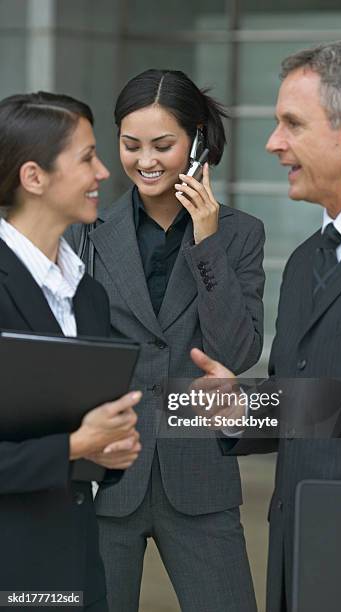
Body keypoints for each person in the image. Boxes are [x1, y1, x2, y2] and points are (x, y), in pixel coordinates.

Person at [190, 40, 341, 612]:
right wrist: (242, 410)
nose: (272, 142)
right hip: (298, 566)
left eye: (291, 123)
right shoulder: (309, 258)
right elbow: (318, 406)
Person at [66, 69, 265, 612]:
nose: (145, 161)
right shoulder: (84, 233)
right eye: (131, 146)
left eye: (163, 145)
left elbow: (237, 352)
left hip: (198, 476)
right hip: (108, 476)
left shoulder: (239, 234)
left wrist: (207, 244)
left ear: (197, 140)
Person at [0, 92, 143, 612]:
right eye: (86, 157)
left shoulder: (89, 294)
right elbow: (66, 441)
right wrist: (74, 445)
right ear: (34, 177)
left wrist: (108, 455)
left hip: (77, 569)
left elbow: (85, 441)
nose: (103, 172)